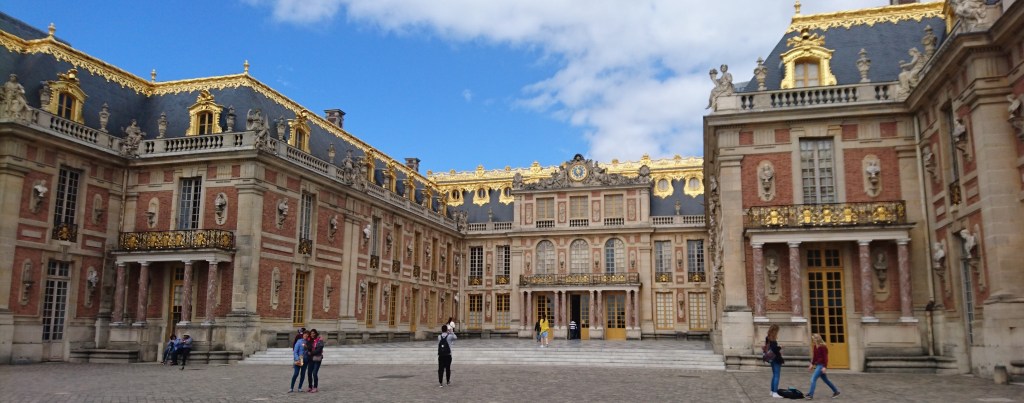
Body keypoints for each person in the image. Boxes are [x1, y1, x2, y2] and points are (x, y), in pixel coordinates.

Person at [805, 333, 840, 400]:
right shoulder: (815, 346)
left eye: (813, 339)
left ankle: (810, 395)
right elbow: (815, 357)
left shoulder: (823, 347)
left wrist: (824, 367)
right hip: (818, 364)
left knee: (813, 379)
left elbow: (825, 358)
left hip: (821, 365)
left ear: (817, 339)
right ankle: (836, 391)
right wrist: (812, 364)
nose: (812, 340)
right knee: (826, 380)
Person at [766, 324, 785, 398]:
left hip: (771, 358)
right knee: (777, 375)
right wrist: (780, 347)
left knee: (774, 375)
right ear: (775, 331)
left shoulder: (767, 337)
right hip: (776, 359)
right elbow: (774, 349)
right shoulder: (773, 339)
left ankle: (772, 391)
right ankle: (775, 392)